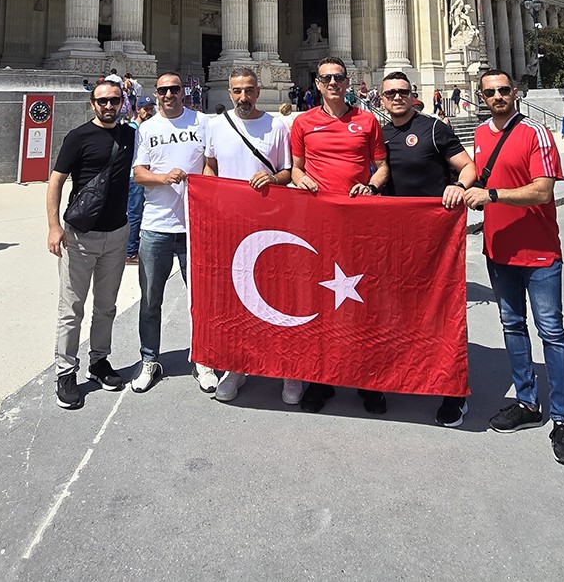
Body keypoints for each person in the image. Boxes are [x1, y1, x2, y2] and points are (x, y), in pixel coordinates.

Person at [463, 70, 564, 467]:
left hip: (539, 251)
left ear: (514, 93)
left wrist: (491, 194)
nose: (497, 96)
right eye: (489, 92)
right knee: (512, 326)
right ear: (480, 97)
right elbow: (477, 179)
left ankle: (563, 420)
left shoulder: (537, 133)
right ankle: (528, 403)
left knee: (551, 332)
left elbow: (543, 190)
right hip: (499, 249)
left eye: (502, 90)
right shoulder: (480, 134)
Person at [378, 70, 478, 426]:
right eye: (390, 93)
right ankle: (392, 378)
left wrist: (459, 186)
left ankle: (453, 392)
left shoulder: (434, 128)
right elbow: (379, 172)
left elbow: (468, 166)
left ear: (412, 93)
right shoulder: (380, 133)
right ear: (381, 98)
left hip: (436, 239)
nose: (397, 97)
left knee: (442, 314)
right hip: (394, 239)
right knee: (393, 312)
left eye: (403, 91)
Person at [289, 55, 388, 414]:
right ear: (316, 83)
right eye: (326, 78)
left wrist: (371, 186)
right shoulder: (302, 122)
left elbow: (382, 166)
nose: (333, 83)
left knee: (362, 302)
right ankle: (320, 378)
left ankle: (368, 380)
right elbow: (296, 170)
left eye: (339, 78)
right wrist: (302, 181)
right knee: (319, 303)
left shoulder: (366, 121)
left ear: (348, 83)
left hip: (358, 224)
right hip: (318, 225)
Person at [202, 67, 294, 401]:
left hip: (271, 223)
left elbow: (287, 172)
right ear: (229, 93)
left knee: (276, 298)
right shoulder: (215, 126)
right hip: (230, 224)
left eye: (249, 90)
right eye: (237, 91)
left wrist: (272, 180)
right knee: (234, 299)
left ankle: (287, 370)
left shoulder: (277, 126)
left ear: (259, 91)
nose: (243, 97)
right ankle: (236, 367)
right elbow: (210, 168)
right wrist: (209, 203)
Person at [46, 80, 136, 409]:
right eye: (103, 101)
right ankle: (66, 371)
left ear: (122, 102)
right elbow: (55, 181)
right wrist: (54, 226)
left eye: (115, 100)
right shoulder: (78, 137)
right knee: (71, 309)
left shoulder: (130, 135)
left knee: (106, 306)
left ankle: (99, 362)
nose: (109, 106)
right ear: (92, 105)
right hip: (79, 236)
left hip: (116, 234)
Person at [130, 73, 208, 395]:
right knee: (150, 300)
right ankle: (150, 359)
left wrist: (202, 183)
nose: (168, 95)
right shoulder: (147, 129)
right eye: (163, 90)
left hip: (195, 226)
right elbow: (138, 174)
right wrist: (164, 179)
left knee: (201, 299)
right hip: (156, 225)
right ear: (156, 94)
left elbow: (211, 165)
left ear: (183, 92)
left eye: (175, 89)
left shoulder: (202, 122)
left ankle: (203, 358)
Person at [124, 97, 156, 265]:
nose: (148, 112)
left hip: (146, 175)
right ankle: (130, 251)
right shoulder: (131, 128)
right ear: (138, 109)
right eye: (145, 108)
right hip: (133, 176)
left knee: (139, 213)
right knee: (134, 214)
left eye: (151, 108)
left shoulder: (150, 128)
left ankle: (134, 246)